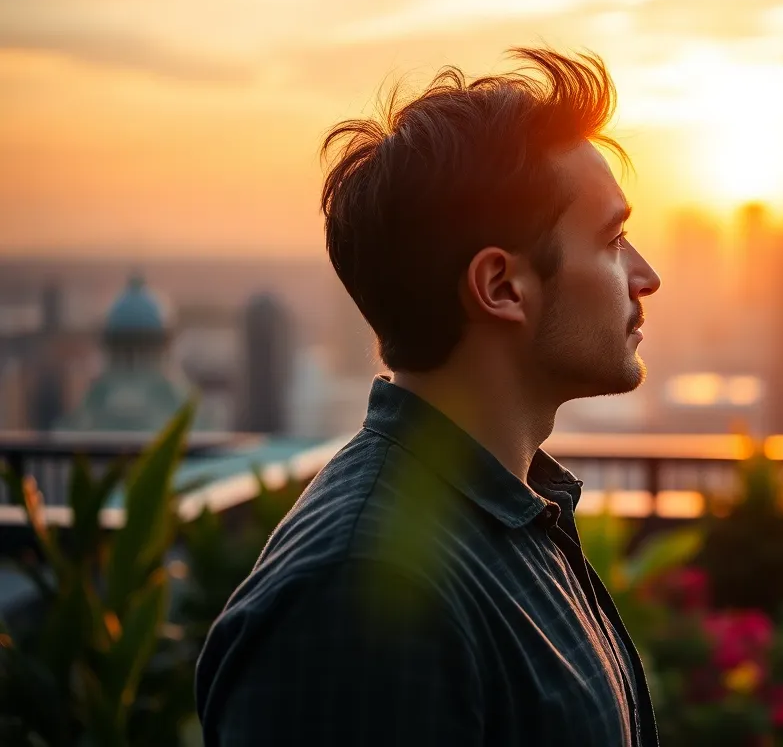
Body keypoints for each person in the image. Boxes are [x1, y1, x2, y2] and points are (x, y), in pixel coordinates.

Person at [195, 48, 662, 746]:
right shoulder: (361, 594)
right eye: (613, 240)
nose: (645, 276)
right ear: (501, 287)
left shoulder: (509, 519)